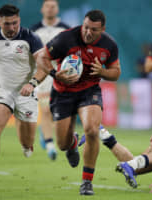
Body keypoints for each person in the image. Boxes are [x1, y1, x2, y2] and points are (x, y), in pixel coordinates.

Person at [33, 9, 121, 195]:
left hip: (89, 92)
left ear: (102, 29)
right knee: (62, 145)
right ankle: (72, 144)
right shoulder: (65, 38)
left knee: (91, 129)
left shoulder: (109, 45)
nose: (88, 32)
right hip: (62, 93)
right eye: (86, 27)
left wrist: (103, 72)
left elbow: (116, 72)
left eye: (94, 30)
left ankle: (87, 182)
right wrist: (56, 74)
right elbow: (41, 57)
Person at [0, 4, 45, 190]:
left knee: (27, 142)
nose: (12, 28)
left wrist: (33, 84)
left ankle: (26, 144)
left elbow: (44, 65)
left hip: (26, 93)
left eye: (14, 23)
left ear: (19, 21)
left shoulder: (31, 38)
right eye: (7, 24)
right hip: (2, 90)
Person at [31, 0, 70, 161]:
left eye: (53, 6)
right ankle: (50, 145)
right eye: (47, 6)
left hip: (61, 73)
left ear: (57, 9)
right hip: (42, 74)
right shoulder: (33, 30)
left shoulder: (66, 29)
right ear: (42, 9)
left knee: (58, 113)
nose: (50, 9)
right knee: (45, 110)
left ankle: (46, 133)